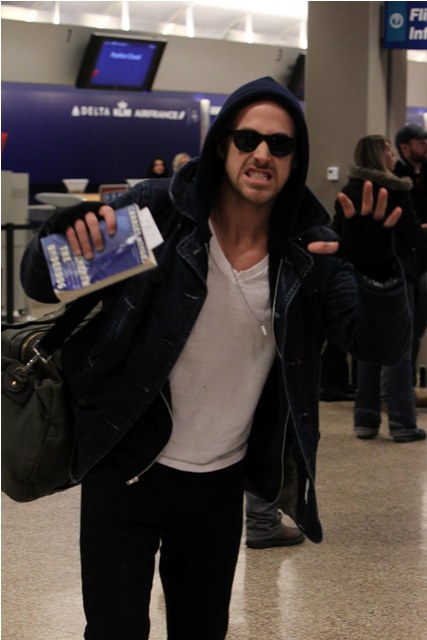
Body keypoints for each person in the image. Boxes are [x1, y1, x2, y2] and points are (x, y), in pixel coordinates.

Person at [20, 77, 411, 640]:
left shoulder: (309, 252)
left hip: (218, 485)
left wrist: (380, 275)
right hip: (124, 464)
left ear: (295, 160)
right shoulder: (160, 215)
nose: (262, 154)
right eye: (248, 139)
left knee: (202, 631)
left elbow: (381, 346)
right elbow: (42, 281)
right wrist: (61, 236)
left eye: (280, 145)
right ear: (223, 145)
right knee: (113, 630)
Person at [334, 134, 427, 442]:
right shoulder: (395, 190)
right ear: (377, 154)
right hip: (395, 275)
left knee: (368, 348)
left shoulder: (349, 189)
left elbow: (340, 234)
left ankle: (365, 419)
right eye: (387, 149)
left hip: (359, 276)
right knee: (399, 348)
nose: (392, 154)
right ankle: (402, 422)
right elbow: (413, 237)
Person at [394, 124, 427, 392]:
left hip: (425, 259)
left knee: (418, 325)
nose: (426, 146)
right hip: (404, 261)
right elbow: (404, 223)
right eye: (421, 142)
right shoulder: (396, 178)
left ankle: (409, 383)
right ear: (405, 148)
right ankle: (402, 386)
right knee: (405, 327)